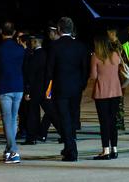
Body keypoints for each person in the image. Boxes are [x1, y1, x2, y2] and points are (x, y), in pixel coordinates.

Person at [45, 16, 90, 162]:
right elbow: (85, 69)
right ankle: (69, 146)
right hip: (76, 87)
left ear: (59, 29)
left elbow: (49, 70)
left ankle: (71, 148)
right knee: (72, 116)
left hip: (61, 87)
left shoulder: (55, 46)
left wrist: (48, 88)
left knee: (64, 118)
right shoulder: (81, 46)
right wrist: (82, 84)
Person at [0, 21, 26, 164]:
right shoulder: (20, 49)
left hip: (4, 86)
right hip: (18, 86)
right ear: (14, 32)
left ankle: (14, 150)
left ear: (1, 31)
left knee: (7, 119)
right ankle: (9, 149)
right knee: (13, 118)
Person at [90, 33, 123, 161]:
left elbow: (93, 76)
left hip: (102, 92)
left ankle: (105, 150)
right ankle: (114, 148)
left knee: (104, 122)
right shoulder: (115, 55)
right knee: (112, 121)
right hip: (115, 91)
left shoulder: (96, 56)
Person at [21, 35, 53, 144]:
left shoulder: (34, 56)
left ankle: (31, 137)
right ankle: (63, 133)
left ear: (35, 42)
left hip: (35, 89)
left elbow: (31, 75)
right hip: (44, 88)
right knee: (50, 112)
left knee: (32, 114)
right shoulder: (45, 54)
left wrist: (28, 90)